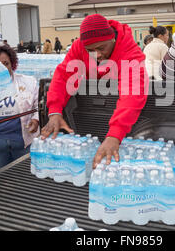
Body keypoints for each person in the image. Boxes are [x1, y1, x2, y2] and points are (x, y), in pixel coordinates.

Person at [40, 14, 148, 169]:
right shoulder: (80, 46)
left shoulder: (130, 52)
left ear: (112, 39)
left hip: (125, 119)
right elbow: (64, 75)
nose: (96, 55)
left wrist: (115, 135)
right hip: (94, 113)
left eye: (101, 48)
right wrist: (55, 111)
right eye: (90, 50)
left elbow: (132, 93)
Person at [0, 44, 40, 171]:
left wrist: (35, 120)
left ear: (12, 63)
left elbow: (38, 106)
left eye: (6, 63)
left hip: (23, 142)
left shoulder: (28, 82)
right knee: (0, 179)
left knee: (24, 177)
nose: (3, 69)